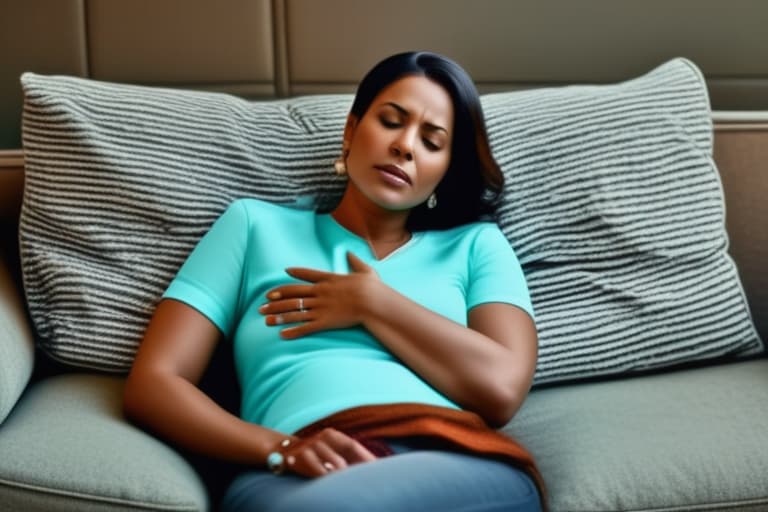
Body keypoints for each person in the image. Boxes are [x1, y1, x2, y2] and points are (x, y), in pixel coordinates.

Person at [124, 51, 544, 512]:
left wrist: (372, 303)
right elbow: (154, 383)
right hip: (292, 471)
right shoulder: (253, 227)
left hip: (450, 459)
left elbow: (503, 389)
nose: (405, 146)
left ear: (445, 170)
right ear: (350, 130)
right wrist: (279, 449)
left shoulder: (476, 245)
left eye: (431, 141)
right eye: (390, 121)